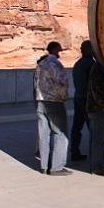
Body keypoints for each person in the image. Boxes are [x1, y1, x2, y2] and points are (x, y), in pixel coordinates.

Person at [34, 41, 72, 176]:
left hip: (40, 102)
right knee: (60, 133)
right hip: (54, 102)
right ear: (55, 50)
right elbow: (61, 83)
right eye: (59, 50)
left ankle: (44, 166)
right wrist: (64, 98)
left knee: (43, 135)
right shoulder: (55, 64)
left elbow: (36, 84)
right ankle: (56, 167)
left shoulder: (41, 64)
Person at [86, 62, 104, 176]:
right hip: (98, 110)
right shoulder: (98, 70)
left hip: (96, 109)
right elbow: (97, 91)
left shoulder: (99, 69)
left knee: (95, 139)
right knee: (98, 139)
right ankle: (96, 167)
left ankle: (95, 164)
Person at [69, 40, 93, 161]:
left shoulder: (77, 63)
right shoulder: (90, 63)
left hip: (78, 97)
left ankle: (74, 151)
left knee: (77, 127)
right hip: (87, 100)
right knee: (94, 127)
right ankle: (97, 153)